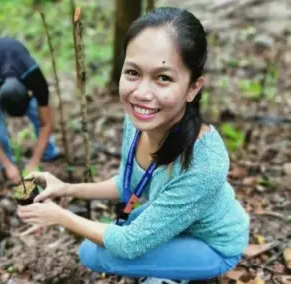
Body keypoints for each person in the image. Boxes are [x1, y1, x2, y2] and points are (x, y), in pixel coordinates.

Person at [17, 7, 250, 283]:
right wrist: (67, 188)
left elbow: (127, 244)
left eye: (163, 77)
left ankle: (181, 273)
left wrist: (60, 216)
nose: (141, 94)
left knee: (96, 253)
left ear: (193, 88)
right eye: (133, 73)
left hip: (213, 244)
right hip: (177, 223)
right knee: (117, 230)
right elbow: (127, 184)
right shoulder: (139, 121)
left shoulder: (205, 162)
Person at [0, 37, 59, 184]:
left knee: (39, 117)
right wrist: (8, 165)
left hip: (18, 65)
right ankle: (4, 164)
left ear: (30, 93)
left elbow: (47, 123)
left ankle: (48, 152)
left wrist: (34, 162)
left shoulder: (35, 78)